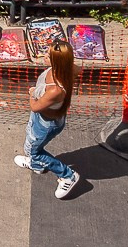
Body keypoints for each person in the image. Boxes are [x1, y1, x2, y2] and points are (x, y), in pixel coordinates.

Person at [16, 42, 80, 199]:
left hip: (45, 123)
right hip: (48, 117)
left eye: (47, 55)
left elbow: (35, 107)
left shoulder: (55, 90)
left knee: (33, 150)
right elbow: (79, 70)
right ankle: (37, 165)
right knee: (31, 141)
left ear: (56, 62)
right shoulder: (69, 69)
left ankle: (67, 175)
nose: (44, 56)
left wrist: (32, 93)